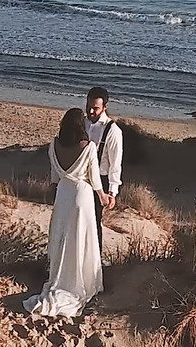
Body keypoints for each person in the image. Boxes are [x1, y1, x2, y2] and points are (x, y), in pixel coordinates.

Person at [23, 108, 111, 317]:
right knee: (81, 238)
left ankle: (59, 277)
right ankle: (83, 281)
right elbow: (94, 178)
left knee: (62, 236)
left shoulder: (53, 145)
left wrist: (55, 194)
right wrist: (103, 197)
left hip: (63, 194)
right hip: (82, 195)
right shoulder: (88, 147)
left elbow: (54, 177)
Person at [84, 87, 123, 255]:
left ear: (104, 107)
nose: (91, 111)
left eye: (96, 108)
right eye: (89, 106)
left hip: (101, 179)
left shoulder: (113, 130)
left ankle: (95, 259)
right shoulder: (83, 123)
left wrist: (112, 192)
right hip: (80, 178)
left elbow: (116, 164)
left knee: (94, 221)